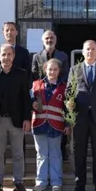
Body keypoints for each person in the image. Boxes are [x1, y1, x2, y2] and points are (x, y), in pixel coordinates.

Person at [66, 40, 96, 191]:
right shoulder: (74, 70)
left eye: (93, 49)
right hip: (80, 118)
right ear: (83, 51)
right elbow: (68, 92)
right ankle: (80, 184)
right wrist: (69, 104)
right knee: (79, 152)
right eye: (87, 49)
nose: (90, 52)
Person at [0, 43, 31, 191]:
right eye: (3, 54)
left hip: (17, 120)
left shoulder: (22, 74)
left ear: (14, 56)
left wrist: (27, 118)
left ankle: (18, 182)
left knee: (18, 153)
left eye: (9, 54)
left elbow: (26, 98)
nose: (6, 57)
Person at [30, 30, 71, 161]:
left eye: (52, 38)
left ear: (56, 40)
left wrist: (57, 86)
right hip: (41, 93)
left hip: (57, 92)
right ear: (43, 41)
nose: (49, 40)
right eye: (46, 38)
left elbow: (66, 75)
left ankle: (63, 149)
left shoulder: (63, 56)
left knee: (59, 121)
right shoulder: (36, 56)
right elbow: (34, 74)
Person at [30, 59, 68, 191]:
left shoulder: (64, 87)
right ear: (45, 69)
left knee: (55, 154)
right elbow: (28, 100)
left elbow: (68, 108)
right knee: (41, 154)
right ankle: (41, 181)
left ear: (59, 71)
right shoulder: (35, 85)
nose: (52, 72)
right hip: (39, 124)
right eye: (49, 69)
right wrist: (32, 104)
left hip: (56, 125)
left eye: (55, 69)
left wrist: (67, 124)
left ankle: (56, 182)